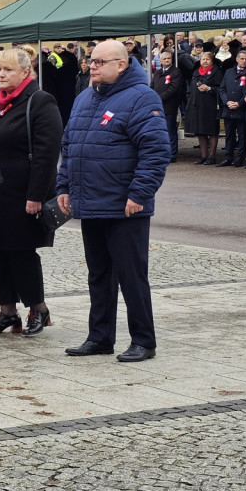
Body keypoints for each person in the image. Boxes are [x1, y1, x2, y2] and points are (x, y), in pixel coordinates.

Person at [57, 40, 170, 363]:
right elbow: (71, 145)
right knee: (99, 275)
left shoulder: (141, 98)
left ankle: (143, 340)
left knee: (132, 276)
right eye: (90, 61)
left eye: (99, 62)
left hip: (124, 206)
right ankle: (100, 337)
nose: (91, 66)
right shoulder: (85, 97)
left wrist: (139, 193)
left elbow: (156, 151)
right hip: (91, 202)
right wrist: (63, 186)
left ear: (121, 64)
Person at [0, 48, 63, 338]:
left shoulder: (40, 101)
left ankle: (39, 309)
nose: (1, 74)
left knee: (22, 254)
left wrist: (36, 195)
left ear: (26, 72)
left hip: (25, 192)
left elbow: (46, 154)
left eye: (8, 70)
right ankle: (7, 312)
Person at [184, 52, 222, 164]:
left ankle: (212, 156)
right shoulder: (196, 72)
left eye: (207, 59)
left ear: (212, 61)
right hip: (196, 105)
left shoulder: (217, 72)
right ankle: (204, 155)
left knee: (211, 131)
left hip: (210, 105)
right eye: (203, 59)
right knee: (200, 131)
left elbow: (221, 89)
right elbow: (190, 87)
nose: (205, 61)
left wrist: (209, 88)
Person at [218, 50, 246, 167]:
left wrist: (239, 103)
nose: (244, 61)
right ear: (237, 59)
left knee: (242, 135)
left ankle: (240, 158)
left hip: (241, 109)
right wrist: (227, 102)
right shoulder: (228, 72)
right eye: (242, 59)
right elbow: (222, 89)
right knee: (229, 135)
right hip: (228, 109)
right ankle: (228, 157)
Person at [150, 51, 183, 163]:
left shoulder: (176, 72)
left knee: (170, 131)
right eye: (164, 59)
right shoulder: (158, 72)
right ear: (160, 60)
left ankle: (172, 154)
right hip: (157, 107)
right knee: (158, 131)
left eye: (169, 58)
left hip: (169, 106)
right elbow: (152, 86)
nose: (167, 60)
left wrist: (159, 98)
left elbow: (173, 89)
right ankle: (160, 153)